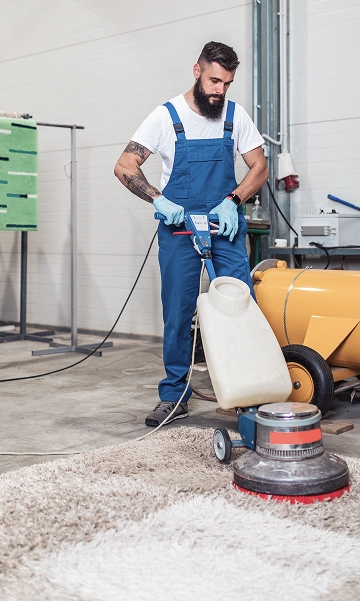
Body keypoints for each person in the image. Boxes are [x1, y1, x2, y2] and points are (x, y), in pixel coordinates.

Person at [114, 41, 269, 427]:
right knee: (179, 313)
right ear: (196, 71)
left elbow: (260, 167)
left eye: (227, 84)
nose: (220, 90)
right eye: (215, 80)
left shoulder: (236, 116)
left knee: (241, 307)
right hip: (179, 228)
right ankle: (175, 394)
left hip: (225, 225)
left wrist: (233, 200)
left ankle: (249, 391)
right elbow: (124, 165)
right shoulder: (166, 117)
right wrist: (158, 199)